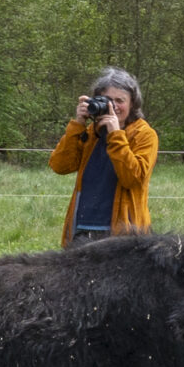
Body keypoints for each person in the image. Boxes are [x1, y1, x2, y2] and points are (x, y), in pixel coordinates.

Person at [48, 66, 159, 245]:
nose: (113, 106)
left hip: (124, 234)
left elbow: (133, 179)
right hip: (82, 227)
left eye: (120, 100)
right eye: (107, 100)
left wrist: (115, 134)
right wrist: (78, 124)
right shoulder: (92, 132)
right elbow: (59, 166)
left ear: (132, 104)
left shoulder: (144, 134)